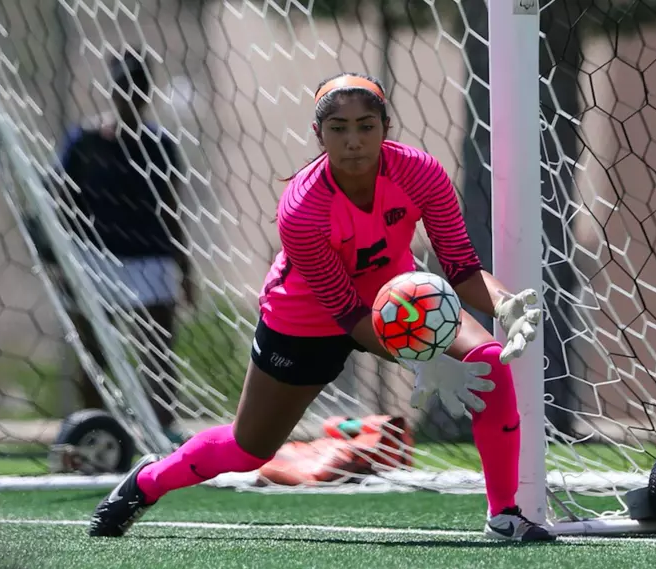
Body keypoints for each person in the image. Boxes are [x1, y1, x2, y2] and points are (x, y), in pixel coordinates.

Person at [87, 72, 551, 542]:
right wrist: (426, 362)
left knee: (489, 359)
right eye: (339, 128)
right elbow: (348, 316)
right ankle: (147, 481)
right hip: (305, 319)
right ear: (319, 134)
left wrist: (504, 303)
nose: (353, 141)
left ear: (386, 127)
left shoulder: (421, 172)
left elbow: (461, 266)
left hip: (399, 301)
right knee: (249, 451)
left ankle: (504, 515)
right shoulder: (302, 208)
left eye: (366, 126)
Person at [44, 48, 195, 448]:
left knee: (158, 351)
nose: (130, 96)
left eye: (138, 89)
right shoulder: (86, 141)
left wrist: (186, 268)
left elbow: (171, 210)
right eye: (124, 87)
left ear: (147, 94)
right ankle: (92, 429)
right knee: (95, 353)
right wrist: (61, 260)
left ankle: (161, 432)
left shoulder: (160, 145)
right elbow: (62, 201)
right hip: (97, 257)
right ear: (113, 91)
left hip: (149, 258)